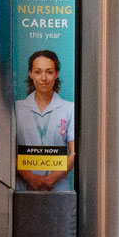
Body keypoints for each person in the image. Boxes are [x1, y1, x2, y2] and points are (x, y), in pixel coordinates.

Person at [15, 49, 75, 192]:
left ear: (56, 74)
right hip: (24, 186)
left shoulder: (69, 109)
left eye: (49, 72)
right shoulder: (17, 108)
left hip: (58, 186)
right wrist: (31, 178)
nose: (44, 78)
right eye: (38, 72)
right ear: (31, 74)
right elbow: (9, 151)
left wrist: (50, 180)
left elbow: (74, 153)